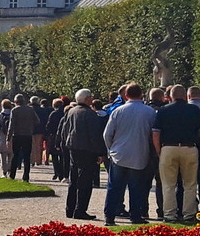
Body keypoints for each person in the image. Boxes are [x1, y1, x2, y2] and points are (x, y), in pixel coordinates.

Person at [103, 84, 158, 225]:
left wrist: (111, 149)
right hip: (140, 153)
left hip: (119, 154)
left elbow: (107, 134)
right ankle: (136, 215)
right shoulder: (150, 112)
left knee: (114, 187)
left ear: (125, 95)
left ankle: (110, 216)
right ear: (141, 94)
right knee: (136, 187)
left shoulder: (118, 111)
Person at [153, 83, 200, 222]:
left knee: (168, 184)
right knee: (190, 184)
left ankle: (169, 215)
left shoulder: (163, 110)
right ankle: (189, 214)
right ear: (185, 95)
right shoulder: (193, 109)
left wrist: (159, 151)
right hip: (189, 147)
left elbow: (156, 133)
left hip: (168, 148)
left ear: (170, 96)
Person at [64, 89, 106, 219]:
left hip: (73, 147)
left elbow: (65, 129)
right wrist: (100, 152)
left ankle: (70, 209)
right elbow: (95, 135)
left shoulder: (71, 111)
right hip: (87, 150)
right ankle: (80, 210)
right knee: (85, 181)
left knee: (74, 179)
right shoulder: (90, 114)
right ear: (87, 99)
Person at [4, 96, 41, 181]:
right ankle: (26, 176)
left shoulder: (15, 110)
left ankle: (12, 175)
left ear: (16, 102)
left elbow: (11, 125)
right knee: (27, 156)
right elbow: (37, 121)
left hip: (17, 135)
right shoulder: (30, 110)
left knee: (15, 155)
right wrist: (30, 127)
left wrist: (8, 138)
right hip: (27, 135)